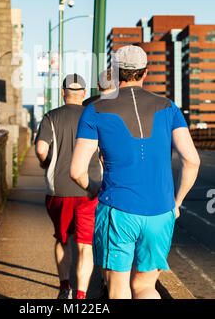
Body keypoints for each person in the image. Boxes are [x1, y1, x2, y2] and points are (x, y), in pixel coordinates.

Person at [70, 45, 200, 299]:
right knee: (145, 286)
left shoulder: (94, 110)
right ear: (146, 72)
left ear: (116, 72)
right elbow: (192, 160)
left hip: (118, 209)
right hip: (161, 211)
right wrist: (177, 202)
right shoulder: (169, 107)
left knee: (118, 288)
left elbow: (76, 170)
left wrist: (93, 187)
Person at [35, 74, 103, 300]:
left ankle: (65, 287)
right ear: (84, 94)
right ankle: (81, 295)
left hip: (59, 190)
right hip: (89, 188)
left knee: (63, 239)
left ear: (63, 93)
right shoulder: (94, 116)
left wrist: (46, 163)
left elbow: (41, 150)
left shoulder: (50, 117)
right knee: (85, 245)